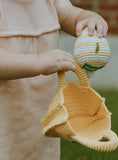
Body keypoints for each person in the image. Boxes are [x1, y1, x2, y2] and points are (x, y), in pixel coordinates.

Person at [0, 0, 108, 159]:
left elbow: (70, 14)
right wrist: (37, 62)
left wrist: (86, 18)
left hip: (40, 111)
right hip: (6, 119)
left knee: (39, 150)